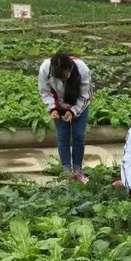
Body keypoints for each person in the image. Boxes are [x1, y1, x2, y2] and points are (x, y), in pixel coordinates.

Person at [38, 52, 92, 183]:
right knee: (63, 136)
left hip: (79, 104)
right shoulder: (45, 69)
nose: (64, 79)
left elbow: (85, 95)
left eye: (66, 75)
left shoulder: (82, 69)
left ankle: (78, 170)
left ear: (70, 68)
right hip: (59, 105)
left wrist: (72, 111)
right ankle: (66, 171)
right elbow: (45, 91)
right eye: (60, 77)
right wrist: (53, 109)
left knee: (78, 136)